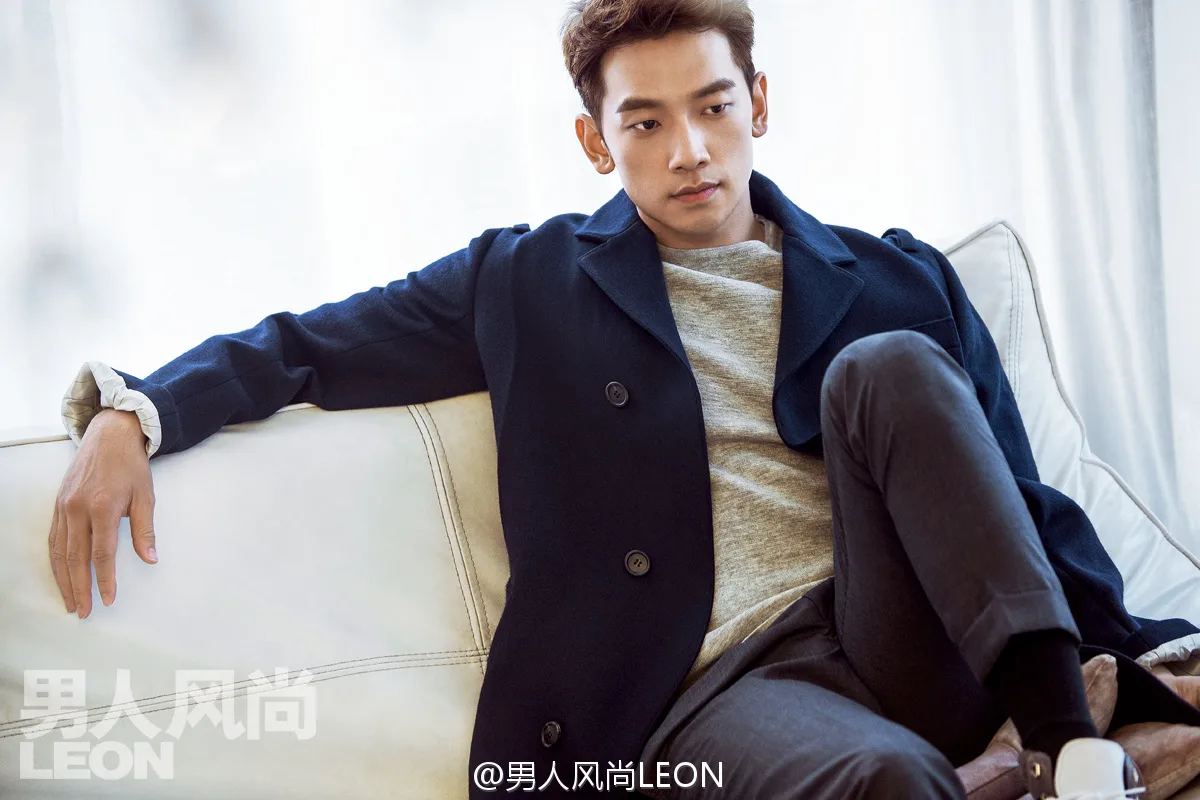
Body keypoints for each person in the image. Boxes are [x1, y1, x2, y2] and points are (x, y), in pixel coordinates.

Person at [48, 1, 1200, 797]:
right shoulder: (525, 280)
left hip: (904, 634)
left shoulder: (900, 275)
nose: (689, 148)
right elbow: (307, 346)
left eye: (714, 106)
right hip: (720, 687)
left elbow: (1016, 500)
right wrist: (130, 413)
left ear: (759, 102)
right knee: (883, 779)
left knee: (886, 363)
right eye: (646, 121)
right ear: (597, 140)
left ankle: (1062, 754)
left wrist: (1148, 652)